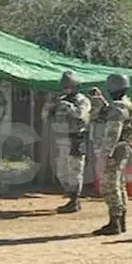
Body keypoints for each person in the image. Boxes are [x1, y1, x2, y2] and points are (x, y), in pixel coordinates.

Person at [91, 73, 132, 236]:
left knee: (109, 186)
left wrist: (104, 156)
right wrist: (102, 102)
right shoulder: (126, 104)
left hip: (115, 150)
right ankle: (120, 221)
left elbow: (113, 133)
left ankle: (115, 223)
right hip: (123, 149)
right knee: (119, 184)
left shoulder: (118, 108)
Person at [42, 71, 92, 213]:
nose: (66, 89)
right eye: (65, 87)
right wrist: (51, 104)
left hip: (75, 138)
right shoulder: (59, 100)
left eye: (69, 87)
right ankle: (70, 194)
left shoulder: (82, 100)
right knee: (61, 170)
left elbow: (81, 116)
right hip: (61, 138)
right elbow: (45, 117)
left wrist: (68, 106)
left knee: (75, 170)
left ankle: (74, 200)